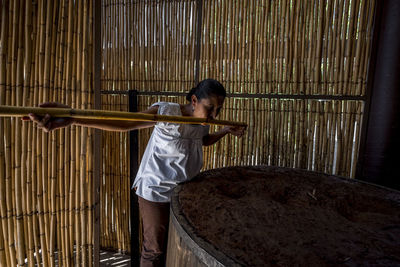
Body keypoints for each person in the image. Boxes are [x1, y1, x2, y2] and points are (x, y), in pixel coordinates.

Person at [28, 79, 246, 267]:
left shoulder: (203, 122)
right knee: (154, 249)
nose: (215, 115)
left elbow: (202, 141)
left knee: (174, 245)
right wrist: (74, 118)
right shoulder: (167, 112)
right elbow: (124, 123)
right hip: (156, 191)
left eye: (219, 110)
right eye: (210, 108)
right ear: (194, 100)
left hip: (183, 193)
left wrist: (224, 131)